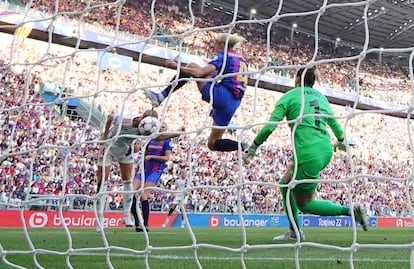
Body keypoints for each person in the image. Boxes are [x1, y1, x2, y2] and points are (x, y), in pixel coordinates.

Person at [243, 66, 369, 242]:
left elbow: (271, 126)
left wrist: (254, 146)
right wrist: (341, 139)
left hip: (307, 152)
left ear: (296, 79)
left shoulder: (289, 97)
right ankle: (294, 231)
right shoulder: (322, 98)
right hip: (324, 150)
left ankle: (349, 212)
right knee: (285, 184)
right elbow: (335, 125)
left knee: (304, 204)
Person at [144, 32, 248, 152]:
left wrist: (176, 66)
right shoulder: (241, 59)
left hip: (222, 96)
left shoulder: (223, 56)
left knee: (192, 66)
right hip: (234, 103)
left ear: (222, 45)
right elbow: (218, 75)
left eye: (215, 45)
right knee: (212, 143)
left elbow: (199, 74)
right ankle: (242, 146)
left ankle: (161, 96)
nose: (214, 49)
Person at [95, 109, 158, 232]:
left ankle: (126, 215)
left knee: (128, 179)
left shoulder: (148, 128)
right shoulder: (126, 119)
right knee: (102, 180)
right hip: (109, 145)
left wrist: (137, 145)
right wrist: (105, 134)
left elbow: (139, 141)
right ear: (141, 119)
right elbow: (110, 117)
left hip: (125, 150)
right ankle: (100, 218)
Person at [131, 122, 173, 232]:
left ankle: (145, 224)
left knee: (143, 196)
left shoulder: (167, 141)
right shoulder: (151, 139)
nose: (161, 128)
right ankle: (137, 222)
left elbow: (167, 158)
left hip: (155, 170)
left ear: (166, 129)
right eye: (160, 127)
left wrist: (152, 157)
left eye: (163, 127)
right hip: (144, 169)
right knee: (131, 193)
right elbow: (144, 153)